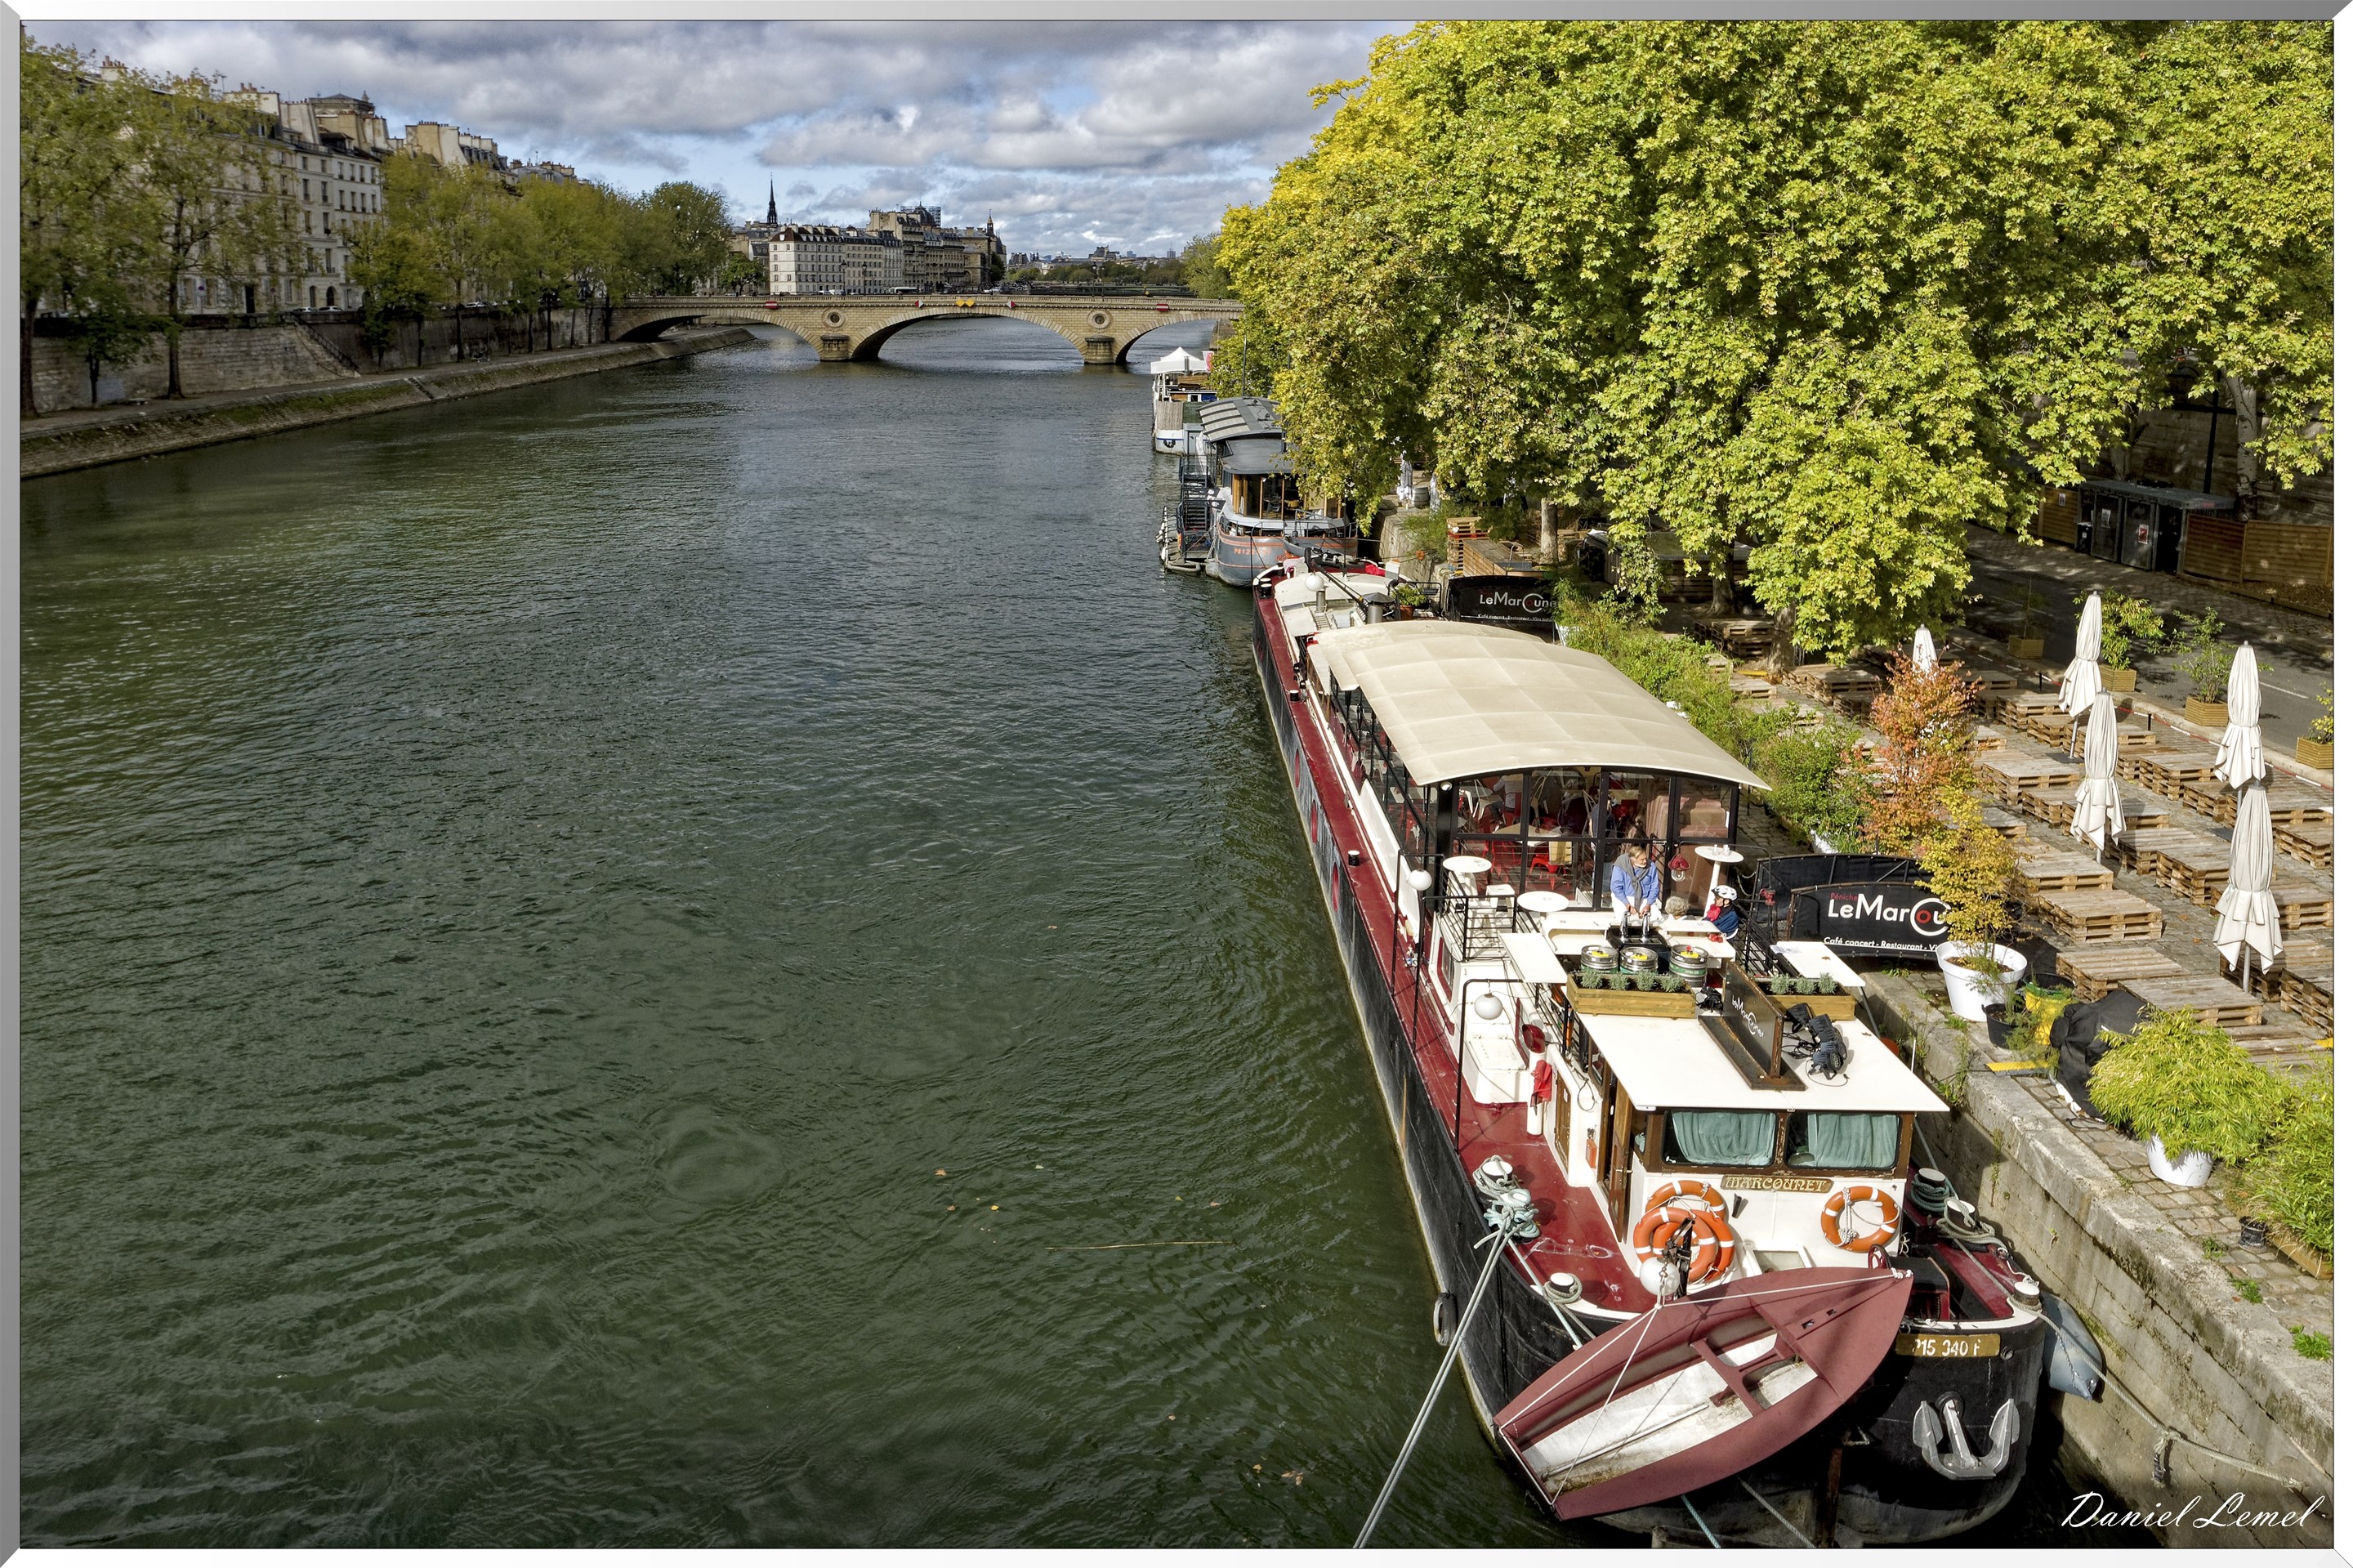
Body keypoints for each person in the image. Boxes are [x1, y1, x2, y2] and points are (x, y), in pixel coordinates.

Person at [1611, 840, 1663, 928]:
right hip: (1624, 897)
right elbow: (1616, 887)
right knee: (1623, 920)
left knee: (1655, 919)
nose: (1645, 861)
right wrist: (1628, 905)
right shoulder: (1621, 865)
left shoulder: (1651, 866)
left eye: (1645, 858)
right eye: (1642, 860)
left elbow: (1655, 887)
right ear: (1633, 860)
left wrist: (1648, 905)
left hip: (1644, 898)